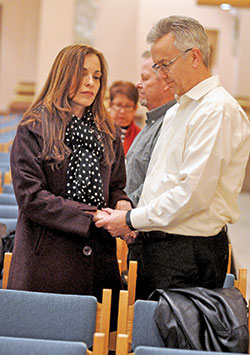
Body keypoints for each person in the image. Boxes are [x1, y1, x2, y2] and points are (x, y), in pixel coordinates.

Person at [93, 16, 250, 300]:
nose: (161, 74)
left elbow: (192, 195)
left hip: (187, 252)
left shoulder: (216, 110)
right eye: (156, 66)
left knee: (169, 340)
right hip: (157, 243)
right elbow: (159, 181)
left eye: (165, 64)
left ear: (194, 57)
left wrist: (130, 218)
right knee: (142, 333)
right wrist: (133, 218)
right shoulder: (179, 109)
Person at [7, 44, 132, 328]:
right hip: (46, 262)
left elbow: (115, 186)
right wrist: (90, 215)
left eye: (97, 76)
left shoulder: (109, 132)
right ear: (63, 75)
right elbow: (31, 198)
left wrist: (122, 203)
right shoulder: (34, 127)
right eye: (82, 73)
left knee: (94, 345)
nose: (90, 82)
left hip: (97, 260)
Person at [125, 50, 176, 206]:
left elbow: (158, 184)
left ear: (166, 83)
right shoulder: (151, 122)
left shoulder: (171, 123)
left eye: (145, 78)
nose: (137, 84)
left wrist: (125, 210)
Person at [109, 81, 141, 156]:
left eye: (128, 106)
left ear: (135, 108)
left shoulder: (139, 135)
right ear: (110, 104)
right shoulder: (100, 130)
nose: (122, 111)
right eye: (118, 105)